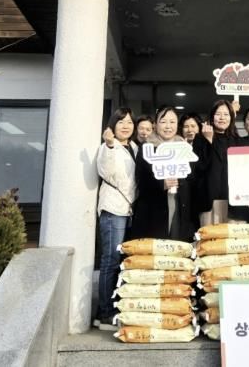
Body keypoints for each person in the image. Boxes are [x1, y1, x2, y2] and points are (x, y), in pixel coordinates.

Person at [95, 107, 137, 330]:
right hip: (113, 209)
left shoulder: (134, 147)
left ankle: (113, 307)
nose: (126, 126)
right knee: (110, 260)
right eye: (121, 122)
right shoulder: (107, 147)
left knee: (120, 260)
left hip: (128, 209)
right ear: (112, 125)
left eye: (129, 122)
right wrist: (110, 145)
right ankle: (104, 313)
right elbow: (105, 170)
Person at [131, 107, 200, 242]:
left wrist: (180, 181)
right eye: (163, 122)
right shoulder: (146, 147)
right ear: (155, 125)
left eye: (172, 122)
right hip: (154, 208)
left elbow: (192, 178)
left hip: (180, 205)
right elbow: (140, 180)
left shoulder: (184, 147)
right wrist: (161, 184)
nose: (168, 126)